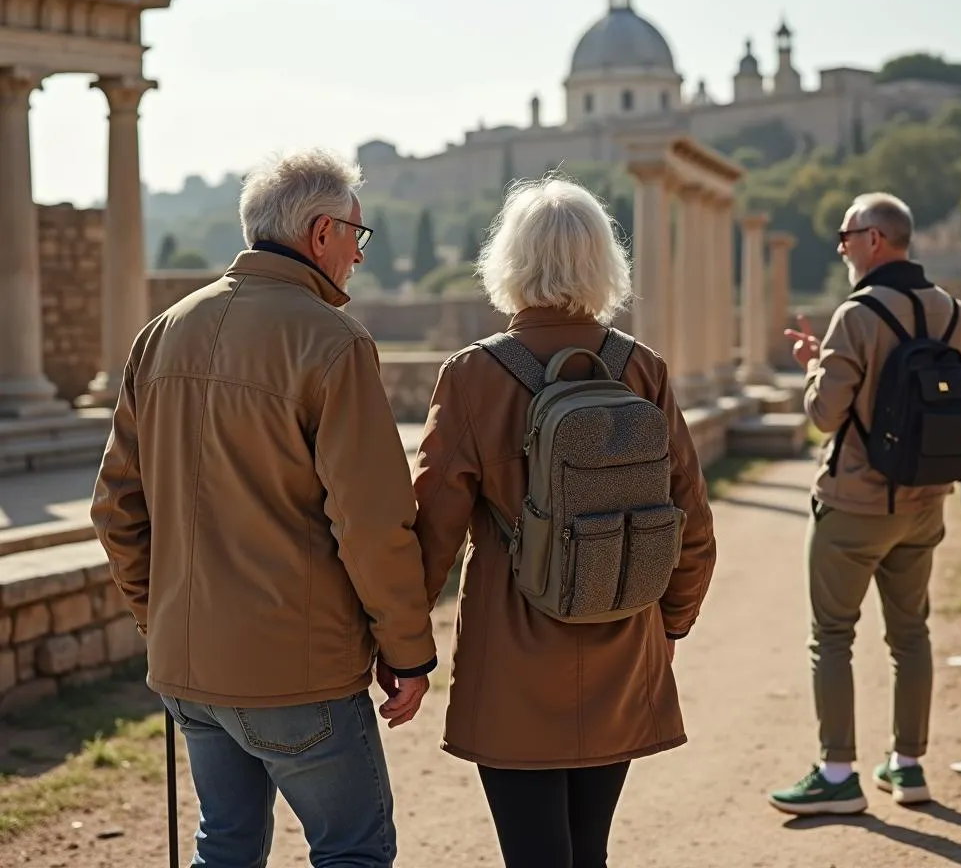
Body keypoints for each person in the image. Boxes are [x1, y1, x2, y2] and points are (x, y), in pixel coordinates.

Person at [91, 149, 436, 868]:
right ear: (320, 234)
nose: (359, 258)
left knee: (226, 846)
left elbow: (116, 509)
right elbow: (371, 523)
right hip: (297, 668)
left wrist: (162, 619)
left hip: (189, 665)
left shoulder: (160, 333)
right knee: (352, 852)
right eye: (356, 237)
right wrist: (407, 650)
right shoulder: (332, 342)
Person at [411, 177, 716, 868]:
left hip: (511, 659)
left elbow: (431, 533)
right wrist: (667, 627)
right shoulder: (642, 369)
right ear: (605, 264)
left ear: (508, 262)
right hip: (622, 638)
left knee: (533, 855)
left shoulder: (471, 376)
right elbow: (691, 524)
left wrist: (403, 651)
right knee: (590, 851)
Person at [770, 192, 961, 816]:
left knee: (831, 636)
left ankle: (837, 775)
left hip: (856, 503)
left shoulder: (855, 316)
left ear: (876, 240)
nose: (840, 246)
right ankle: (908, 768)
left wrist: (812, 369)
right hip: (926, 500)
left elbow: (823, 415)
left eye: (846, 234)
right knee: (910, 634)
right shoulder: (954, 313)